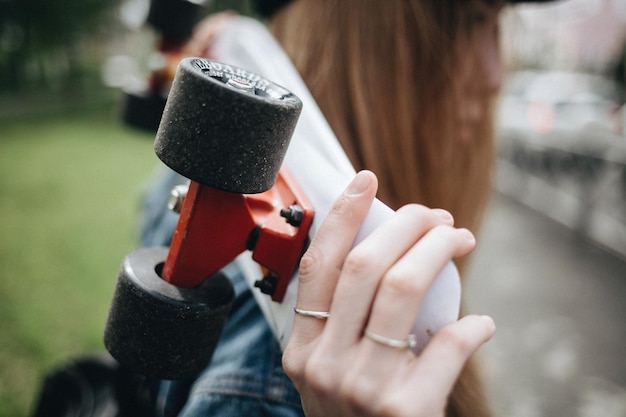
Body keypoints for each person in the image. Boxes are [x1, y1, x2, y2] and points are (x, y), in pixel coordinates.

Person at [135, 1, 564, 416]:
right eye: (471, 20)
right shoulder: (272, 382)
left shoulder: (201, 167)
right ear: (361, 40)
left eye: (496, 27)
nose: (494, 75)